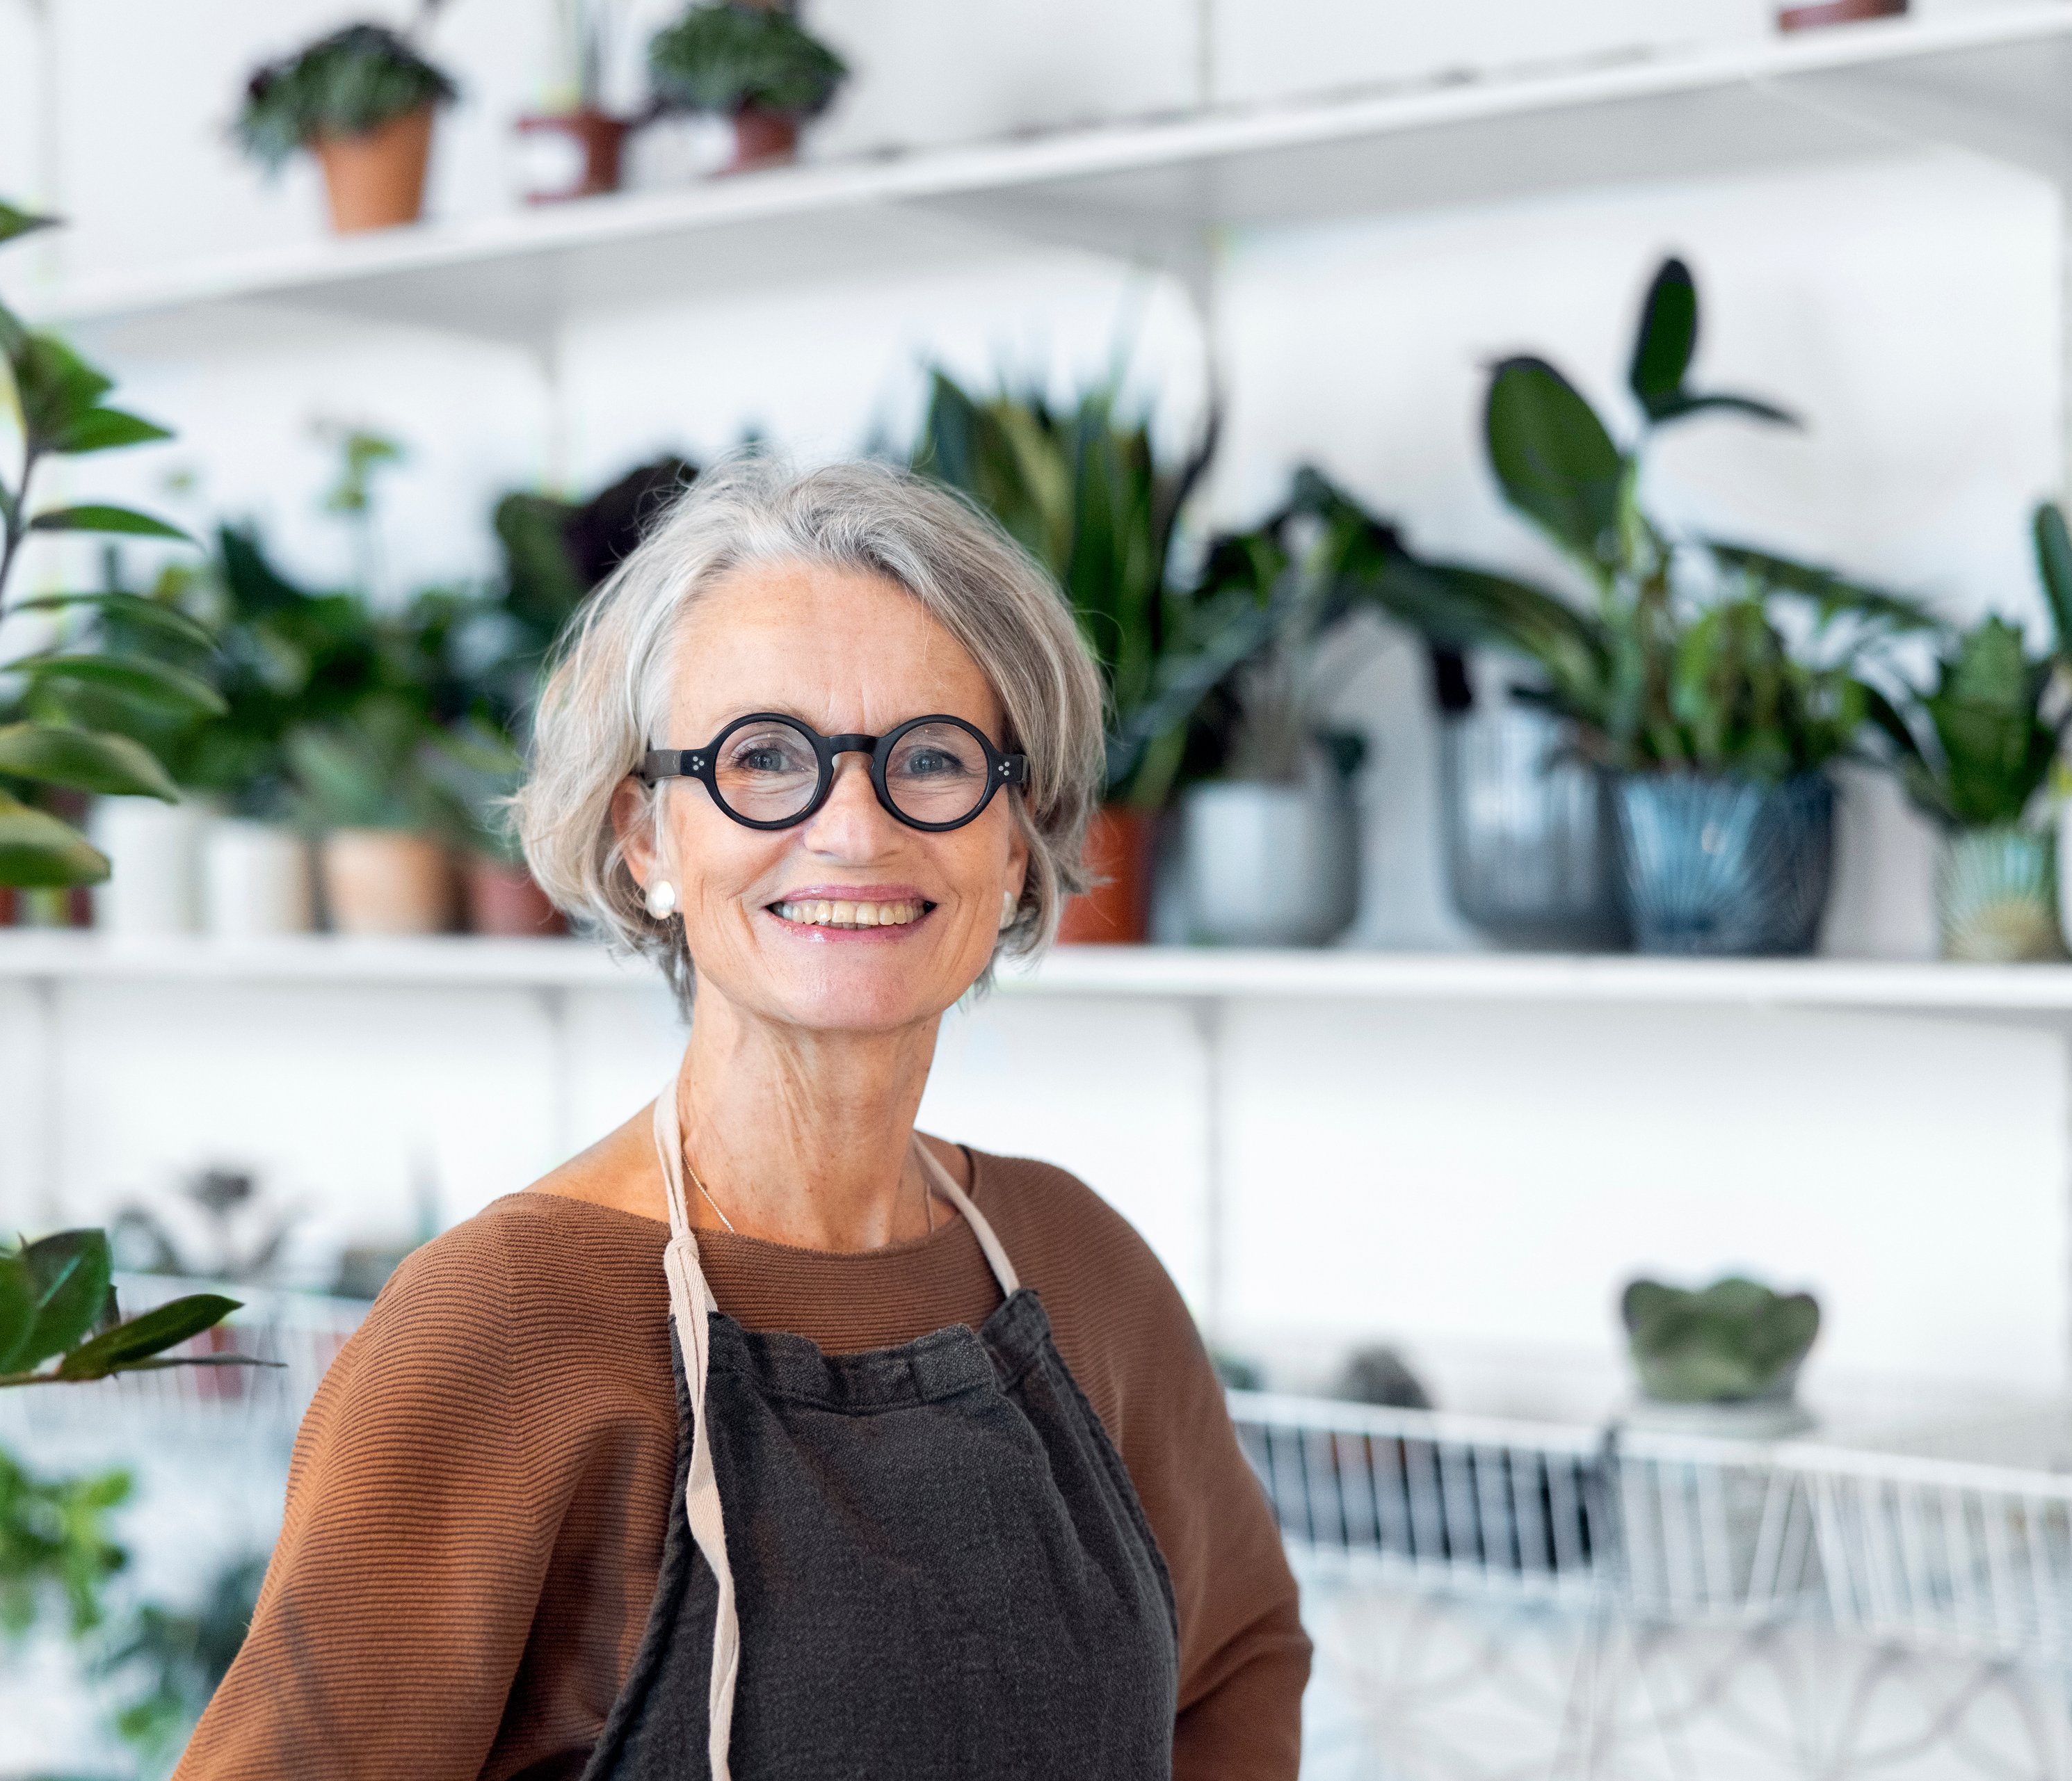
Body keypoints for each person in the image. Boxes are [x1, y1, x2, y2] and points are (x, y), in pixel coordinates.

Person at [174, 456, 1308, 1780]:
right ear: (647, 835)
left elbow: (1238, 1660)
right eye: (765, 758)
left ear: (1016, 838)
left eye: (932, 758)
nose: (852, 827)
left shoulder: (1079, 1269)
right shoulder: (500, 1327)